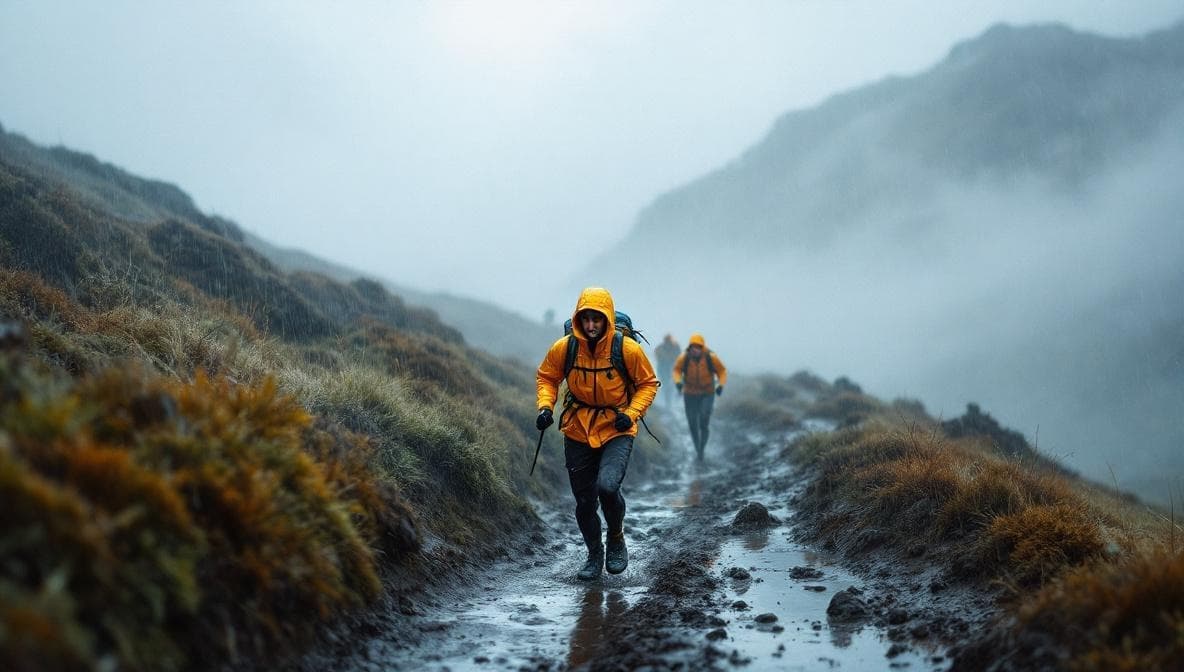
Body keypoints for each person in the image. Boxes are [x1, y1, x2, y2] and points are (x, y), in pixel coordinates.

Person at [536, 287, 659, 580]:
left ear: (606, 320)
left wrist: (630, 414)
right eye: (586, 319)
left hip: (617, 427)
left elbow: (648, 383)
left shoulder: (626, 349)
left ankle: (616, 537)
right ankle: (594, 554)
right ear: (578, 319)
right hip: (577, 428)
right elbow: (547, 377)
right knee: (584, 501)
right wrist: (545, 408)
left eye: (597, 320)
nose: (591, 326)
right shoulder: (565, 348)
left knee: (607, 486)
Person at [672, 333, 727, 461]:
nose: (695, 349)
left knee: (703, 420)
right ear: (689, 348)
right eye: (693, 347)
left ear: (702, 347)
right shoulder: (684, 358)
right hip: (690, 394)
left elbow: (722, 371)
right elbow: (676, 370)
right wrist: (678, 382)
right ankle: (698, 449)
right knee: (692, 423)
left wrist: (721, 385)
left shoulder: (711, 357)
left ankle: (702, 449)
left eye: (698, 347)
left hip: (707, 393)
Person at [653, 333, 680, 409]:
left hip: (671, 368)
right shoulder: (660, 348)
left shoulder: (675, 347)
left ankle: (671, 402)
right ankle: (667, 403)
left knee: (671, 386)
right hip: (663, 369)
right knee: (666, 386)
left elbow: (679, 356)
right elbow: (657, 355)